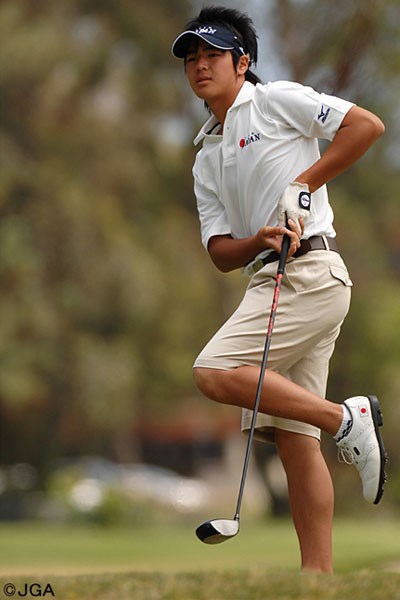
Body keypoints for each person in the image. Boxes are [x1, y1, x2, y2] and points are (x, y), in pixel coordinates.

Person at [171, 6, 387, 572]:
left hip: (310, 274)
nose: (199, 66)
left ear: (243, 62)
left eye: (212, 55)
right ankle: (317, 582)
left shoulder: (274, 100)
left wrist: (303, 182)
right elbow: (220, 252)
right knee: (294, 442)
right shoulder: (205, 156)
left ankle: (344, 418)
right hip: (269, 279)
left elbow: (366, 126)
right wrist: (259, 238)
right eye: (191, 58)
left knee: (214, 372)